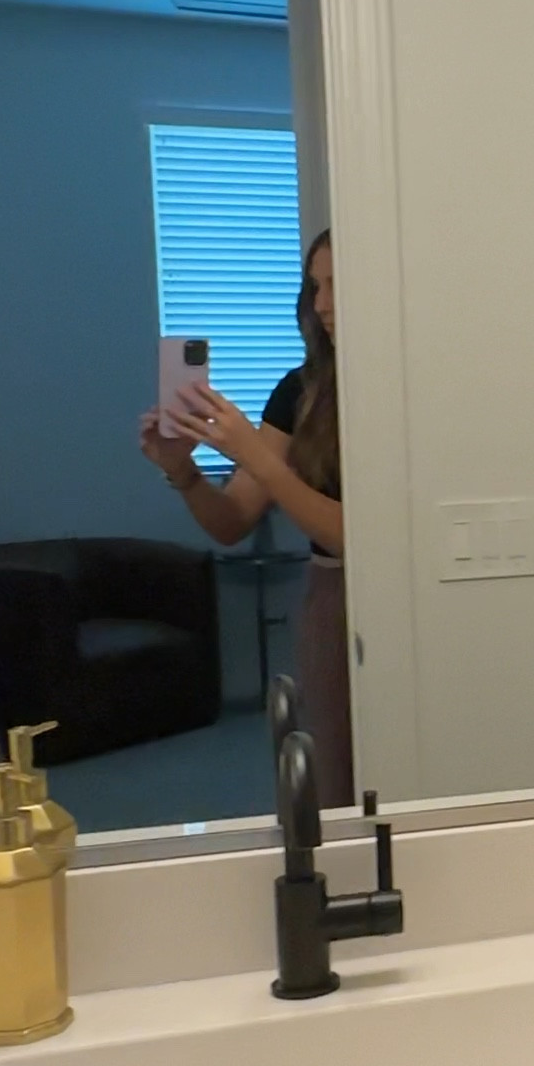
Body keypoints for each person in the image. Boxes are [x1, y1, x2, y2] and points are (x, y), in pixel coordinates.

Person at [140, 227, 354, 804]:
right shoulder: (299, 391)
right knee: (337, 778)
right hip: (332, 606)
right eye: (315, 287)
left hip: (399, 603)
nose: (323, 305)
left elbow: (361, 539)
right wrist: (183, 471)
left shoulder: (401, 387)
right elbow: (232, 520)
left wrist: (256, 455)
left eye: (337, 284)